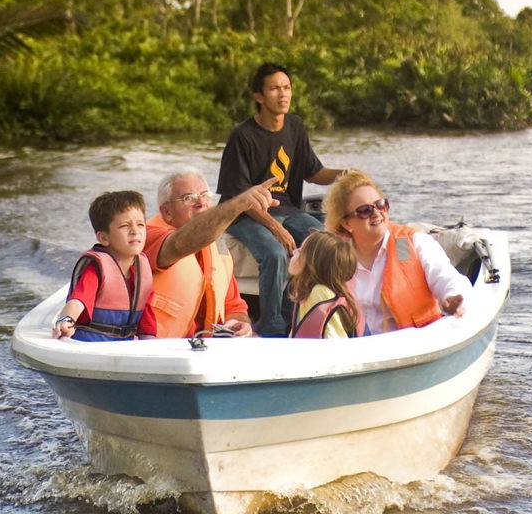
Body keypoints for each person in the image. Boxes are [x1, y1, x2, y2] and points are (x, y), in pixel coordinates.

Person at [218, 62, 345, 336]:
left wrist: (346, 175)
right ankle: (274, 325)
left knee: (323, 240)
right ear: (259, 96)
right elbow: (239, 196)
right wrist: (277, 228)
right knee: (274, 253)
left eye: (286, 88)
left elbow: (315, 172)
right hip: (244, 214)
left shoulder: (295, 126)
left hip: (286, 208)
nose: (283, 94)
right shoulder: (242, 137)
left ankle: (315, 309)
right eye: (275, 88)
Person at [144, 170, 287, 339]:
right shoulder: (149, 236)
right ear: (167, 212)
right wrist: (238, 204)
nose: (201, 202)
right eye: (188, 198)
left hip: (203, 348)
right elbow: (180, 243)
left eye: (205, 195)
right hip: (157, 349)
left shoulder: (217, 250)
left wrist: (240, 323)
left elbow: (234, 306)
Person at [324, 170, 468, 336]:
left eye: (381, 204)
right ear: (347, 223)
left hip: (412, 344)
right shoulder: (337, 255)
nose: (377, 213)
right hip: (355, 349)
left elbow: (445, 276)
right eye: (365, 210)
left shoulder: (405, 245)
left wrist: (452, 298)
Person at [52, 191, 157, 342]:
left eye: (140, 224)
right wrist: (67, 320)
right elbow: (79, 299)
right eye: (125, 226)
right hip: (91, 344)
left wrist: (150, 345)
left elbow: (146, 316)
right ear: (104, 238)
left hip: (125, 346)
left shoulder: (142, 271)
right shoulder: (96, 269)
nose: (135, 231)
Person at [287, 231, 360, 339]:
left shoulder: (320, 292)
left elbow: (335, 342)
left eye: (301, 250)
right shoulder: (307, 290)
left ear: (313, 264)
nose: (294, 252)